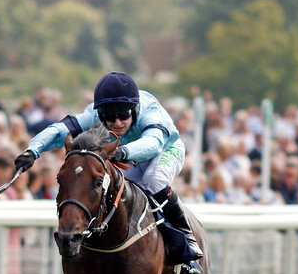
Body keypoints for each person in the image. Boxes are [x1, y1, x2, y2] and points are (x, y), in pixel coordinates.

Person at [14, 71, 202, 258]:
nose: (118, 122)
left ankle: (186, 234)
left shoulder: (148, 110)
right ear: (101, 113)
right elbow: (60, 130)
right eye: (110, 117)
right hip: (126, 153)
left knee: (154, 179)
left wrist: (122, 152)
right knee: (110, 184)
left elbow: (154, 143)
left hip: (164, 150)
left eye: (123, 115)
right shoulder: (93, 114)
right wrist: (32, 151)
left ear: (134, 108)